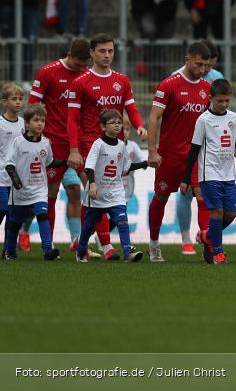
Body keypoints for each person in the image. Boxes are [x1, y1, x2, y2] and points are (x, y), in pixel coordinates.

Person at [67, 34, 147, 259]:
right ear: (92, 52)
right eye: (102, 51)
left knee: (101, 199)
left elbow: (131, 108)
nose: (107, 55)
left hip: (115, 148)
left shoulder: (122, 80)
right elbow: (72, 119)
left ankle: (83, 245)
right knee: (95, 193)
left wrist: (140, 126)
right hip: (88, 147)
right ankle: (107, 247)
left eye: (110, 51)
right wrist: (74, 149)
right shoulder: (80, 82)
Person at [182, 79, 236, 264]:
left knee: (230, 215)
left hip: (229, 175)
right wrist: (186, 179)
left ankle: (207, 235)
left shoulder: (233, 118)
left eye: (227, 100)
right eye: (220, 100)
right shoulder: (203, 120)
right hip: (209, 174)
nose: (224, 104)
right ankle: (217, 253)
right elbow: (194, 150)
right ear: (211, 98)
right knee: (217, 212)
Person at [145, 41, 212, 261]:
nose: (202, 70)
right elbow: (154, 117)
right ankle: (154, 244)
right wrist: (152, 151)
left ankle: (208, 248)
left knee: (203, 198)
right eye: (199, 64)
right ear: (187, 59)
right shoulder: (169, 85)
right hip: (170, 154)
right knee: (162, 196)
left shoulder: (206, 88)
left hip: (197, 155)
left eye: (205, 65)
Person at [27, 38, 90, 252]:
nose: (82, 68)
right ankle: (47, 242)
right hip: (52, 144)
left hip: (78, 142)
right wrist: (37, 137)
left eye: (85, 64)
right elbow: (32, 105)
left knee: (89, 189)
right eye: (79, 64)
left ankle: (83, 241)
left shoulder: (86, 74)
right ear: (70, 55)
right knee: (49, 194)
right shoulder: (48, 72)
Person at [77, 109, 147, 262]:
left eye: (119, 123)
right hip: (98, 193)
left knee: (122, 219)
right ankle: (81, 249)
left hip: (116, 192)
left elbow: (126, 168)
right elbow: (89, 167)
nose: (117, 125)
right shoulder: (98, 144)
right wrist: (93, 185)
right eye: (113, 123)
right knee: (89, 225)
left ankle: (127, 251)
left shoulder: (122, 145)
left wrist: (146, 163)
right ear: (103, 126)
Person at [2, 103, 67, 261]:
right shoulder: (18, 142)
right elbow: (9, 164)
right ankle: (9, 251)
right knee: (15, 223)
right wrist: (16, 181)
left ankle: (47, 248)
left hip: (39, 190)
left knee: (42, 214)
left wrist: (66, 162)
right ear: (27, 123)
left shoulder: (45, 143)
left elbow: (49, 162)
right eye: (36, 120)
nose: (40, 124)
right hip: (20, 192)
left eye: (43, 121)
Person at [0, 84, 25, 232]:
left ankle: (8, 250)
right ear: (4, 102)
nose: (18, 102)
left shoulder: (23, 123)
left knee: (13, 215)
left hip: (18, 178)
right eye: (14, 99)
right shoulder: (1, 124)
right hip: (2, 177)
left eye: (20, 99)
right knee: (3, 208)